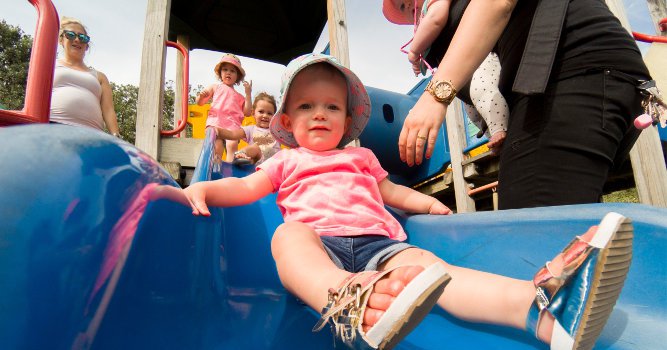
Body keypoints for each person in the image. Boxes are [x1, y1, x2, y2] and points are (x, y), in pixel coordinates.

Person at [183, 53, 633, 349]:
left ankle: (544, 312)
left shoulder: (359, 156)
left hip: (381, 247)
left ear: (347, 120)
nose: (320, 113)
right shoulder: (286, 160)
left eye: (332, 107)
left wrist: (427, 205)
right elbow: (244, 189)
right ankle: (343, 300)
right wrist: (203, 188)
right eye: (306, 107)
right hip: (320, 249)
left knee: (440, 274)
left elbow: (388, 192)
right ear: (285, 119)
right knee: (287, 235)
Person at [389, 0, 653, 209]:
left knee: (528, 238)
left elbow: (495, 3)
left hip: (570, 70)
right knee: (568, 243)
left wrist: (435, 97)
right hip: (568, 79)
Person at [383, 0, 508, 150]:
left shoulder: (431, 5)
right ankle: (491, 134)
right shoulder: (421, 25)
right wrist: (419, 63)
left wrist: (415, 51)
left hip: (479, 57)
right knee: (472, 111)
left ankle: (499, 129)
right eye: (402, 6)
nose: (408, 5)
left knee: (482, 89)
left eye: (409, 0)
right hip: (462, 79)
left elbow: (436, 20)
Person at [50, 17, 120, 137]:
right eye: (71, 35)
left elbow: (108, 110)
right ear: (61, 40)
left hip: (91, 134)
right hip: (53, 126)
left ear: (87, 46)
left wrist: (115, 134)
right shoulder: (50, 66)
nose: (77, 40)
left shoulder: (99, 77)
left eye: (82, 38)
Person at [196, 53, 253, 162]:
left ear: (237, 76)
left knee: (232, 144)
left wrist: (248, 94)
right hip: (216, 123)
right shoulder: (215, 87)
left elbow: (247, 112)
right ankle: (216, 163)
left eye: (232, 71)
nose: (228, 73)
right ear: (220, 73)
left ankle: (230, 166)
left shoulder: (240, 97)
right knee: (217, 145)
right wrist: (201, 96)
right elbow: (200, 103)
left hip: (232, 126)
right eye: (225, 70)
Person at [216, 92, 282, 165]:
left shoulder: (276, 130)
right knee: (256, 147)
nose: (265, 115)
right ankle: (241, 155)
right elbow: (233, 134)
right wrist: (218, 131)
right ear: (253, 113)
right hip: (258, 163)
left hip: (274, 163)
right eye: (261, 112)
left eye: (269, 113)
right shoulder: (250, 129)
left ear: (274, 116)